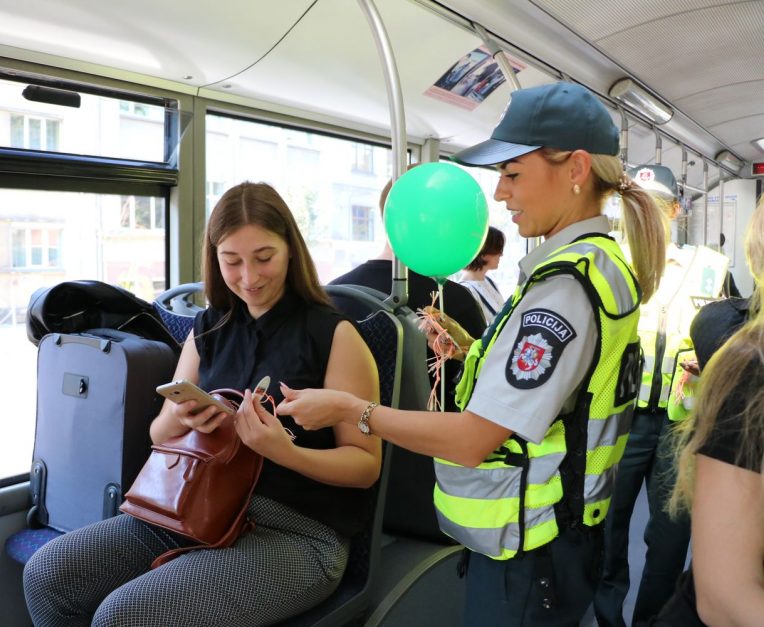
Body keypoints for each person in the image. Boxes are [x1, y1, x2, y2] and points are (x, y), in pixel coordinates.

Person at [276, 81, 669, 626]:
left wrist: (353, 411)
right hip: (560, 531)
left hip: (529, 550)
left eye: (513, 175)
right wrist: (468, 348)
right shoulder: (598, 267)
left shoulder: (565, 288)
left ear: (576, 169)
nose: (501, 194)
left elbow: (472, 441)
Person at [22, 182, 381, 627]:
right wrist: (177, 416)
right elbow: (159, 436)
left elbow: (365, 465)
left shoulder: (335, 336)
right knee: (49, 574)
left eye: (264, 258)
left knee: (123, 617)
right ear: (215, 259)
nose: (249, 278)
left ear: (291, 250)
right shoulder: (208, 330)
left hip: (296, 532)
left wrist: (286, 452)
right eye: (232, 261)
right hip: (196, 506)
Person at [594, 165, 730, 626]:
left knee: (671, 535)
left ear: (675, 210)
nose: (645, 214)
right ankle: (608, 618)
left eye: (655, 204)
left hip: (680, 423)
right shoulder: (604, 262)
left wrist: (713, 363)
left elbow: (733, 339)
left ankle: (652, 620)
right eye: (636, 203)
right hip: (618, 418)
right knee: (608, 530)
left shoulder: (708, 269)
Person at [653, 197, 764, 626]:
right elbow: (725, 598)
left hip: (677, 411)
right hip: (659, 414)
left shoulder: (709, 270)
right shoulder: (750, 367)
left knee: (665, 539)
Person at [330, 171, 486, 408]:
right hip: (437, 439)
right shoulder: (455, 300)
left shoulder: (334, 294)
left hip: (347, 435)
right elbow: (484, 385)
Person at [458, 226, 507, 324]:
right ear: (483, 252)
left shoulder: (489, 281)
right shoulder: (466, 291)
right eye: (498, 250)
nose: (501, 255)